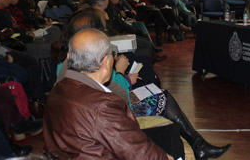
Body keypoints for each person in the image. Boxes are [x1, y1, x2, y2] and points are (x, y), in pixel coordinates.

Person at [52, 10, 232, 160]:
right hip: (118, 110)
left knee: (162, 97)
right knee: (163, 100)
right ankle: (198, 144)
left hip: (97, 117)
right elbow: (116, 95)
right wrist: (122, 73)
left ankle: (198, 144)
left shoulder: (68, 63)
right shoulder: (94, 71)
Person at [44, 28, 173, 160]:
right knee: (170, 138)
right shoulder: (102, 105)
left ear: (68, 57)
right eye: (112, 55)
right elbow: (140, 154)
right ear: (105, 61)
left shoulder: (58, 89)